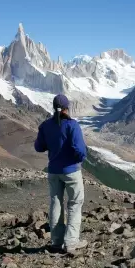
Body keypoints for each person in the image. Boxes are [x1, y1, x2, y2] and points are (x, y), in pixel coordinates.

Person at [34, 94, 88, 253]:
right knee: (75, 204)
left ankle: (56, 242)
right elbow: (80, 150)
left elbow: (39, 147)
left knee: (55, 203)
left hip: (53, 171)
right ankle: (71, 242)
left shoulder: (45, 126)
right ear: (67, 108)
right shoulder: (72, 125)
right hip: (71, 171)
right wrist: (79, 159)